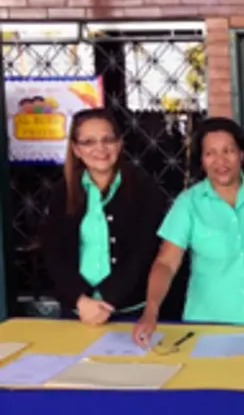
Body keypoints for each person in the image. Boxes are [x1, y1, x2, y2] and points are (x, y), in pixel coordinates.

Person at [132, 117, 244, 344]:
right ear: (202, 160)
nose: (220, 161)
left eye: (228, 151)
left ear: (241, 155)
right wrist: (151, 311)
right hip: (207, 324)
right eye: (210, 153)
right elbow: (166, 263)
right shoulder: (189, 203)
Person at [41, 108, 166, 325]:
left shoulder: (144, 189)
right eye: (88, 142)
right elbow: (53, 252)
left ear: (119, 144)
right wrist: (81, 300)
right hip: (78, 310)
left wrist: (108, 298)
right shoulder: (63, 191)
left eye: (107, 139)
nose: (100, 148)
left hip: (130, 311)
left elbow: (145, 251)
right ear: (76, 149)